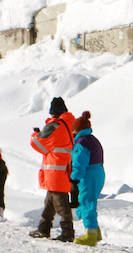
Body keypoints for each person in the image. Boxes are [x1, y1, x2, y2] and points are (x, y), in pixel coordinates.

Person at [28, 97, 77, 243]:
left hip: (56, 171)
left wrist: (35, 133)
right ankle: (44, 228)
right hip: (63, 169)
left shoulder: (56, 125)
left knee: (61, 204)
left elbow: (38, 144)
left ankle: (68, 233)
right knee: (50, 202)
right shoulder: (69, 123)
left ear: (53, 112)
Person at [70, 111, 106, 247]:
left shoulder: (81, 142)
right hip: (99, 172)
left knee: (86, 202)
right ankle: (95, 231)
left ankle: (90, 235)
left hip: (89, 174)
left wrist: (74, 179)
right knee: (89, 201)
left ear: (76, 130)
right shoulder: (93, 139)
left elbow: (79, 162)